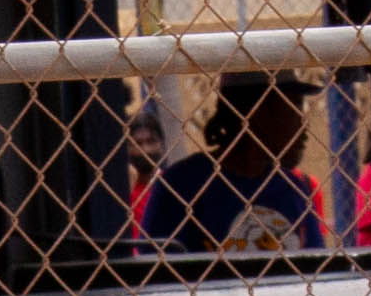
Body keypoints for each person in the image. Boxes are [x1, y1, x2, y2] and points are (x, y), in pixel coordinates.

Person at [138, 75, 322, 255]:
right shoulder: (182, 185)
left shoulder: (294, 189)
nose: (303, 126)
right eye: (294, 108)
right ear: (257, 112)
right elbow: (156, 273)